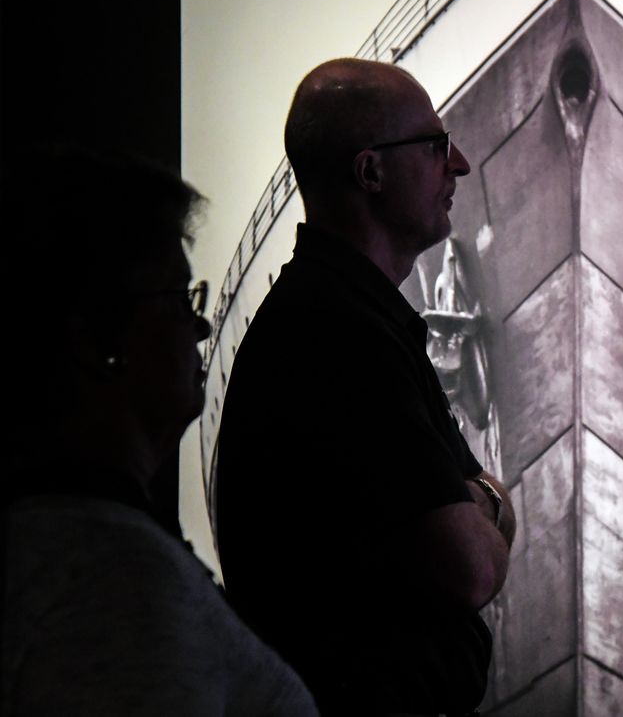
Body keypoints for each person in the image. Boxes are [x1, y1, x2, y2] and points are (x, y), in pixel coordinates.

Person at [214, 58, 516, 717]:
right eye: (435, 147)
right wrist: (488, 500)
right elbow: (471, 568)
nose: (459, 163)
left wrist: (473, 505)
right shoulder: (339, 336)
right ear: (371, 171)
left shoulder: (345, 319)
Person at [1, 146, 318, 717]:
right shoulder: (111, 583)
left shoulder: (57, 546)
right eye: (178, 298)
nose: (199, 324)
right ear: (97, 339)